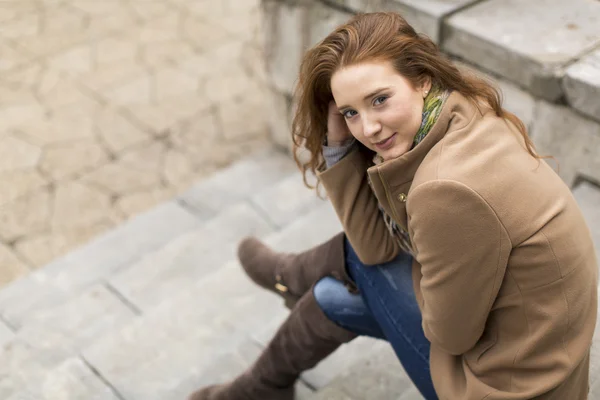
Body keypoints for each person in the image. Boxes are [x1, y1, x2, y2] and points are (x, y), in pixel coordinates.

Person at [188, 11, 598, 400]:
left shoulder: (445, 189)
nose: (367, 128)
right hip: (540, 358)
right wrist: (338, 142)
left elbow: (446, 330)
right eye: (350, 112)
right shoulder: (465, 109)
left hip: (504, 387)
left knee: (362, 265)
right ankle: (262, 380)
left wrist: (411, 257)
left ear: (420, 79)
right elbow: (379, 247)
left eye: (380, 99)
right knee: (334, 290)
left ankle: (288, 285)